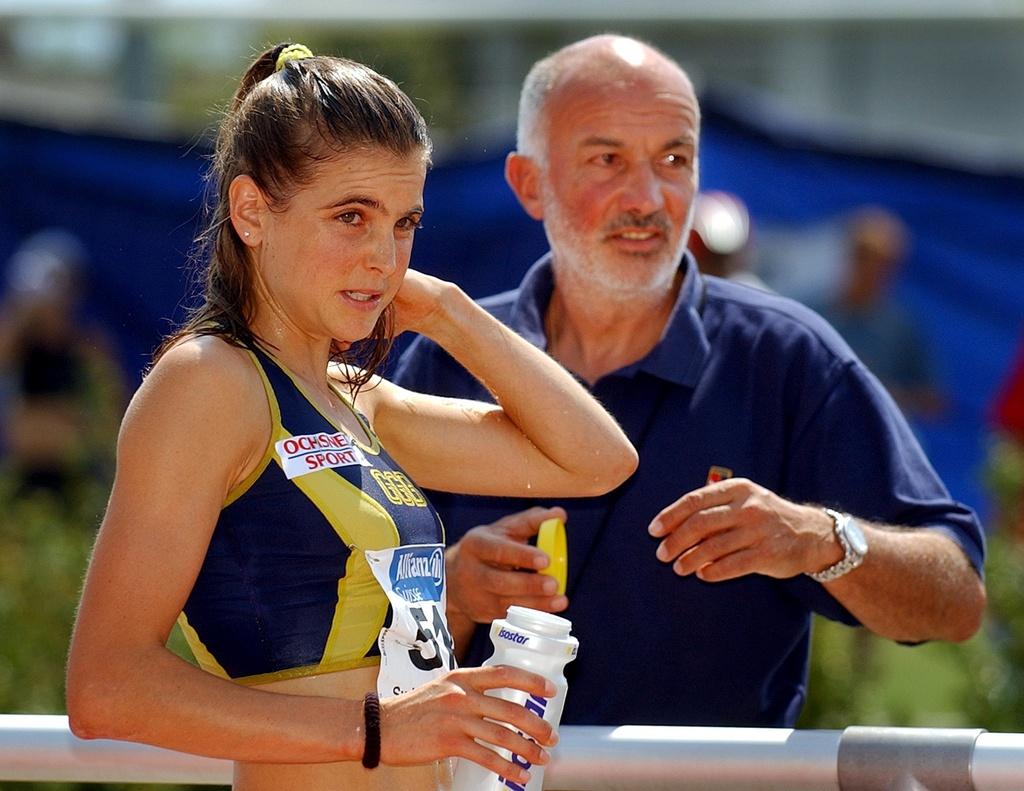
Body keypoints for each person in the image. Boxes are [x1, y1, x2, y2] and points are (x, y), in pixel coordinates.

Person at [65, 43, 637, 791]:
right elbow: (106, 685)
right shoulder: (208, 384)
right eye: (351, 217)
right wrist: (376, 728)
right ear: (251, 211)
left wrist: (447, 311)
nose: (381, 255)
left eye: (404, 224)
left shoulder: (360, 400)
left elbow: (599, 460)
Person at [394, 34, 987, 727]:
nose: (647, 197)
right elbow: (338, 632)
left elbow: (958, 599)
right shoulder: (445, 361)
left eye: (673, 159)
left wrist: (819, 538)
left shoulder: (787, 358)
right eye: (607, 159)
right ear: (530, 184)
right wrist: (453, 593)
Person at [0, 229, 124, 499]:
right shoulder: (14, 346)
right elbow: (22, 436)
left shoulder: (89, 353)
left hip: (74, 498)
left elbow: (110, 433)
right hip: (21, 498)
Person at [819, 207, 945, 423]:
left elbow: (934, 400)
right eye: (866, 258)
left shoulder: (902, 326)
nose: (875, 271)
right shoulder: (814, 313)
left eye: (887, 265)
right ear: (851, 257)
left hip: (877, 436)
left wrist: (884, 394)